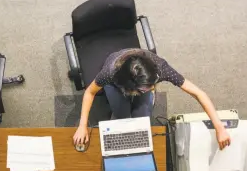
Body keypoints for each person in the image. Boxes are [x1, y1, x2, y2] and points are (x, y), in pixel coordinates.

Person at [73, 48, 231, 150]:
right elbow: (90, 93)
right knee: (122, 117)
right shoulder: (110, 73)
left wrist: (219, 127)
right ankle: (124, 105)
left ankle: (143, 100)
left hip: (133, 84)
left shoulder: (161, 70)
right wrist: (82, 125)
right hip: (117, 85)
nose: (152, 88)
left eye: (152, 86)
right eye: (146, 88)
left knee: (142, 121)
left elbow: (198, 93)